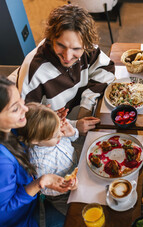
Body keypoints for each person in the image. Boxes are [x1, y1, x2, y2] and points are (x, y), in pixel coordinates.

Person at [11, 4, 116, 134]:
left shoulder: (87, 48)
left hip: (76, 115)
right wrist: (73, 126)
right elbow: (25, 124)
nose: (67, 56)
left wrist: (86, 104)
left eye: (76, 49)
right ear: (51, 38)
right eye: (61, 45)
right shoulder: (34, 70)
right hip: (51, 134)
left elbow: (106, 69)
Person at [0, 76, 77, 227]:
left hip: (35, 201)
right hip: (22, 223)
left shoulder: (12, 128)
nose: (25, 109)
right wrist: (39, 183)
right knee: (80, 217)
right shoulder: (2, 163)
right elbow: (4, 214)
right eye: (15, 109)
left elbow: (32, 132)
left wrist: (47, 123)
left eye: (21, 100)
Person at [17, 102, 78, 227]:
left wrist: (73, 133)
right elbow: (46, 189)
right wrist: (66, 186)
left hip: (78, 167)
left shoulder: (54, 133)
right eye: (56, 135)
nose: (61, 134)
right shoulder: (40, 162)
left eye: (59, 129)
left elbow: (70, 139)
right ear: (36, 141)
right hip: (62, 195)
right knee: (76, 217)